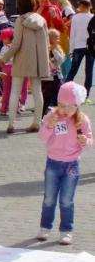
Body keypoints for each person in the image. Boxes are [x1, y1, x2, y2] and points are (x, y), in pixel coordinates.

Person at [37, 82, 92, 245]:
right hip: (52, 162)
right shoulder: (52, 116)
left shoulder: (82, 120)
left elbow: (90, 140)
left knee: (67, 200)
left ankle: (66, 230)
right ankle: (45, 227)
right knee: (49, 198)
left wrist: (85, 141)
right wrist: (49, 126)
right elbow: (42, 137)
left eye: (69, 106)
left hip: (72, 165)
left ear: (77, 105)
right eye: (61, 105)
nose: (65, 110)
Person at [0, 0, 50, 134]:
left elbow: (16, 44)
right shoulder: (41, 20)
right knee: (37, 91)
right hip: (38, 61)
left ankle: (11, 123)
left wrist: (4, 58)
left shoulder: (20, 20)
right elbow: (47, 43)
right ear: (33, 3)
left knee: (15, 91)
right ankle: (37, 122)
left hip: (22, 60)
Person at [65, 0, 94, 104]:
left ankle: (66, 91)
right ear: (90, 5)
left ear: (80, 6)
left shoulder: (76, 18)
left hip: (78, 46)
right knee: (89, 71)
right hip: (90, 46)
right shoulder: (92, 17)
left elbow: (73, 34)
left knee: (73, 70)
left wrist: (71, 49)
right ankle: (86, 96)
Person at [0, 28, 28, 116]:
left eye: (3, 39)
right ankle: (21, 105)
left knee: (7, 89)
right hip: (20, 68)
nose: (3, 41)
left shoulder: (4, 48)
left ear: (7, 38)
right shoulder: (20, 46)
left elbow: (1, 60)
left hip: (7, 69)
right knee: (22, 88)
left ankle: (4, 107)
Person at [42, 29, 65, 118]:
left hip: (57, 77)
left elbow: (61, 60)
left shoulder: (57, 50)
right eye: (56, 39)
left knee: (58, 96)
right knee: (46, 97)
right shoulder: (44, 49)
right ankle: (43, 115)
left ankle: (58, 115)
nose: (58, 41)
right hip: (47, 78)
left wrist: (54, 50)